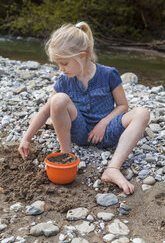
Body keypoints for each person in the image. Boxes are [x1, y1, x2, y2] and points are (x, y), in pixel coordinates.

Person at [18, 21, 150, 195]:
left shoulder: (108, 74)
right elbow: (45, 111)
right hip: (78, 132)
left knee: (143, 113)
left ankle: (113, 168)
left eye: (64, 63)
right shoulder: (64, 81)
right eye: (58, 64)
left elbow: (123, 106)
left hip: (108, 131)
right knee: (57, 100)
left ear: (82, 56)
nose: (61, 69)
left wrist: (103, 123)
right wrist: (26, 138)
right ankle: (67, 156)